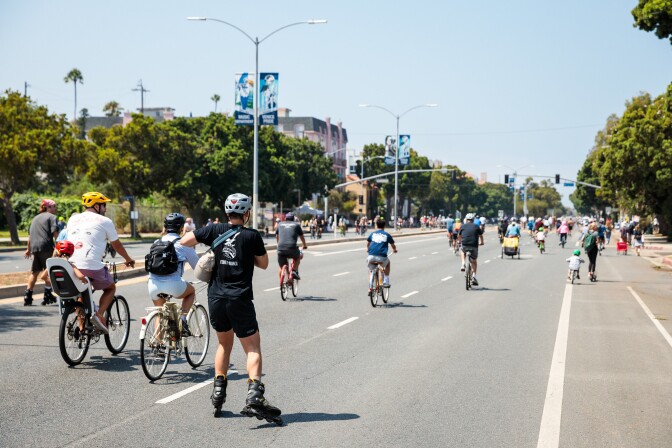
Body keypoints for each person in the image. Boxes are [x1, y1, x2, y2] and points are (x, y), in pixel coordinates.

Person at [179, 193, 279, 420]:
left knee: (223, 345)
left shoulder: (213, 230)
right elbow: (263, 264)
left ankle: (218, 391)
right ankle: (254, 396)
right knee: (252, 347)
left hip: (216, 298)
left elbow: (184, 241)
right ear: (247, 213)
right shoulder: (252, 235)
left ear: (226, 212)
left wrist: (210, 253)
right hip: (240, 299)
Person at [67, 192, 135, 333]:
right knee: (110, 288)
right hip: (90, 265)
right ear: (96, 206)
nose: (105, 209)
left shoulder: (72, 220)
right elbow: (117, 245)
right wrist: (128, 259)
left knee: (81, 294)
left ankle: (81, 328)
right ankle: (98, 316)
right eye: (104, 205)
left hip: (71, 266)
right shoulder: (104, 221)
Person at [147, 213, 199, 335]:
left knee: (160, 312)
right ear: (181, 228)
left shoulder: (156, 242)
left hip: (153, 285)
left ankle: (158, 345)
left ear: (165, 227)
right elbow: (198, 267)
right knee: (191, 291)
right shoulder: (183, 243)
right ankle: (183, 319)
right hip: (174, 285)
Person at [23, 199, 59, 306]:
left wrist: (28, 249)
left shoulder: (35, 218)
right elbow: (55, 234)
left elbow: (29, 237)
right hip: (46, 247)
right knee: (49, 270)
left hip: (35, 248)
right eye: (54, 206)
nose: (55, 208)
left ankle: (28, 295)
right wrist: (59, 247)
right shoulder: (52, 217)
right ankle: (47, 294)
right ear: (48, 208)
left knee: (34, 272)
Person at [275, 212, 308, 280]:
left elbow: (277, 236)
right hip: (292, 248)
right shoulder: (296, 225)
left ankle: (282, 284)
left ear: (285, 218)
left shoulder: (280, 224)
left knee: (281, 268)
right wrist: (304, 245)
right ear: (293, 219)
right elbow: (302, 237)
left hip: (280, 249)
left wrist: (279, 244)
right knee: (297, 257)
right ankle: (294, 271)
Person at [366, 218, 398, 287]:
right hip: (381, 258)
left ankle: (370, 287)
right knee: (388, 263)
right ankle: (386, 281)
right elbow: (393, 245)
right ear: (384, 226)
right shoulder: (387, 235)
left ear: (376, 226)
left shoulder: (372, 234)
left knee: (370, 270)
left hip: (370, 257)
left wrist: (367, 249)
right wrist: (394, 250)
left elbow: (368, 243)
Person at [458, 213, 484, 286]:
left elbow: (459, 236)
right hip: (474, 246)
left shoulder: (462, 226)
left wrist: (460, 242)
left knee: (463, 251)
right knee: (474, 261)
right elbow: (481, 236)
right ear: (473, 220)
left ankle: (463, 264)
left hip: (465, 244)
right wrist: (481, 243)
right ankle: (473, 276)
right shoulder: (476, 226)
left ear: (466, 219)